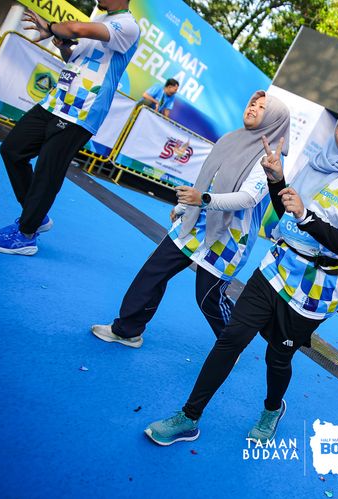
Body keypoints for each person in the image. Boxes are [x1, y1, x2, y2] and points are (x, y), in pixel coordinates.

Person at [143, 94, 338, 446]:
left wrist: (306, 216)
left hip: (316, 286)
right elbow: (288, 210)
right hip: (276, 266)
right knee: (231, 339)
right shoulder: (317, 163)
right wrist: (277, 180)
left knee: (278, 356)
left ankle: (272, 409)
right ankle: (189, 417)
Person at [90, 91, 290, 347]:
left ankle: (230, 344)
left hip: (229, 237)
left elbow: (248, 198)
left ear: (274, 118)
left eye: (262, 107)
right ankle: (127, 330)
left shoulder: (271, 157)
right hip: (196, 222)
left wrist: (201, 200)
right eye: (252, 103)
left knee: (207, 298)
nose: (252, 108)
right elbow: (209, 179)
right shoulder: (231, 139)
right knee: (154, 271)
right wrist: (185, 206)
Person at [0, 2, 139, 256]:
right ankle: (36, 216)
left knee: (48, 171)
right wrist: (65, 48)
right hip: (56, 101)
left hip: (83, 111)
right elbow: (76, 60)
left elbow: (74, 28)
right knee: (12, 149)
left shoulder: (128, 26)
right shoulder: (101, 19)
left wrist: (51, 26)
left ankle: (26, 235)